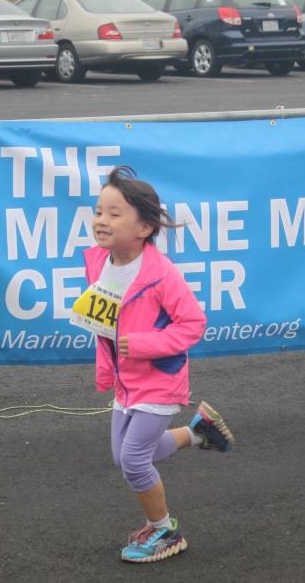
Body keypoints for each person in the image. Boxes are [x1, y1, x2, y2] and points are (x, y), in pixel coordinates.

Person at [74, 165, 235, 564]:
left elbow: (194, 324)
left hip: (160, 381)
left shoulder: (161, 275)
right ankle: (197, 433)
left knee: (133, 459)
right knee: (123, 455)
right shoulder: (98, 261)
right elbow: (106, 322)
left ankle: (165, 530)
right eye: (98, 211)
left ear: (144, 227)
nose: (101, 221)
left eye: (114, 214)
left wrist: (143, 344)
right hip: (125, 382)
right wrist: (107, 363)